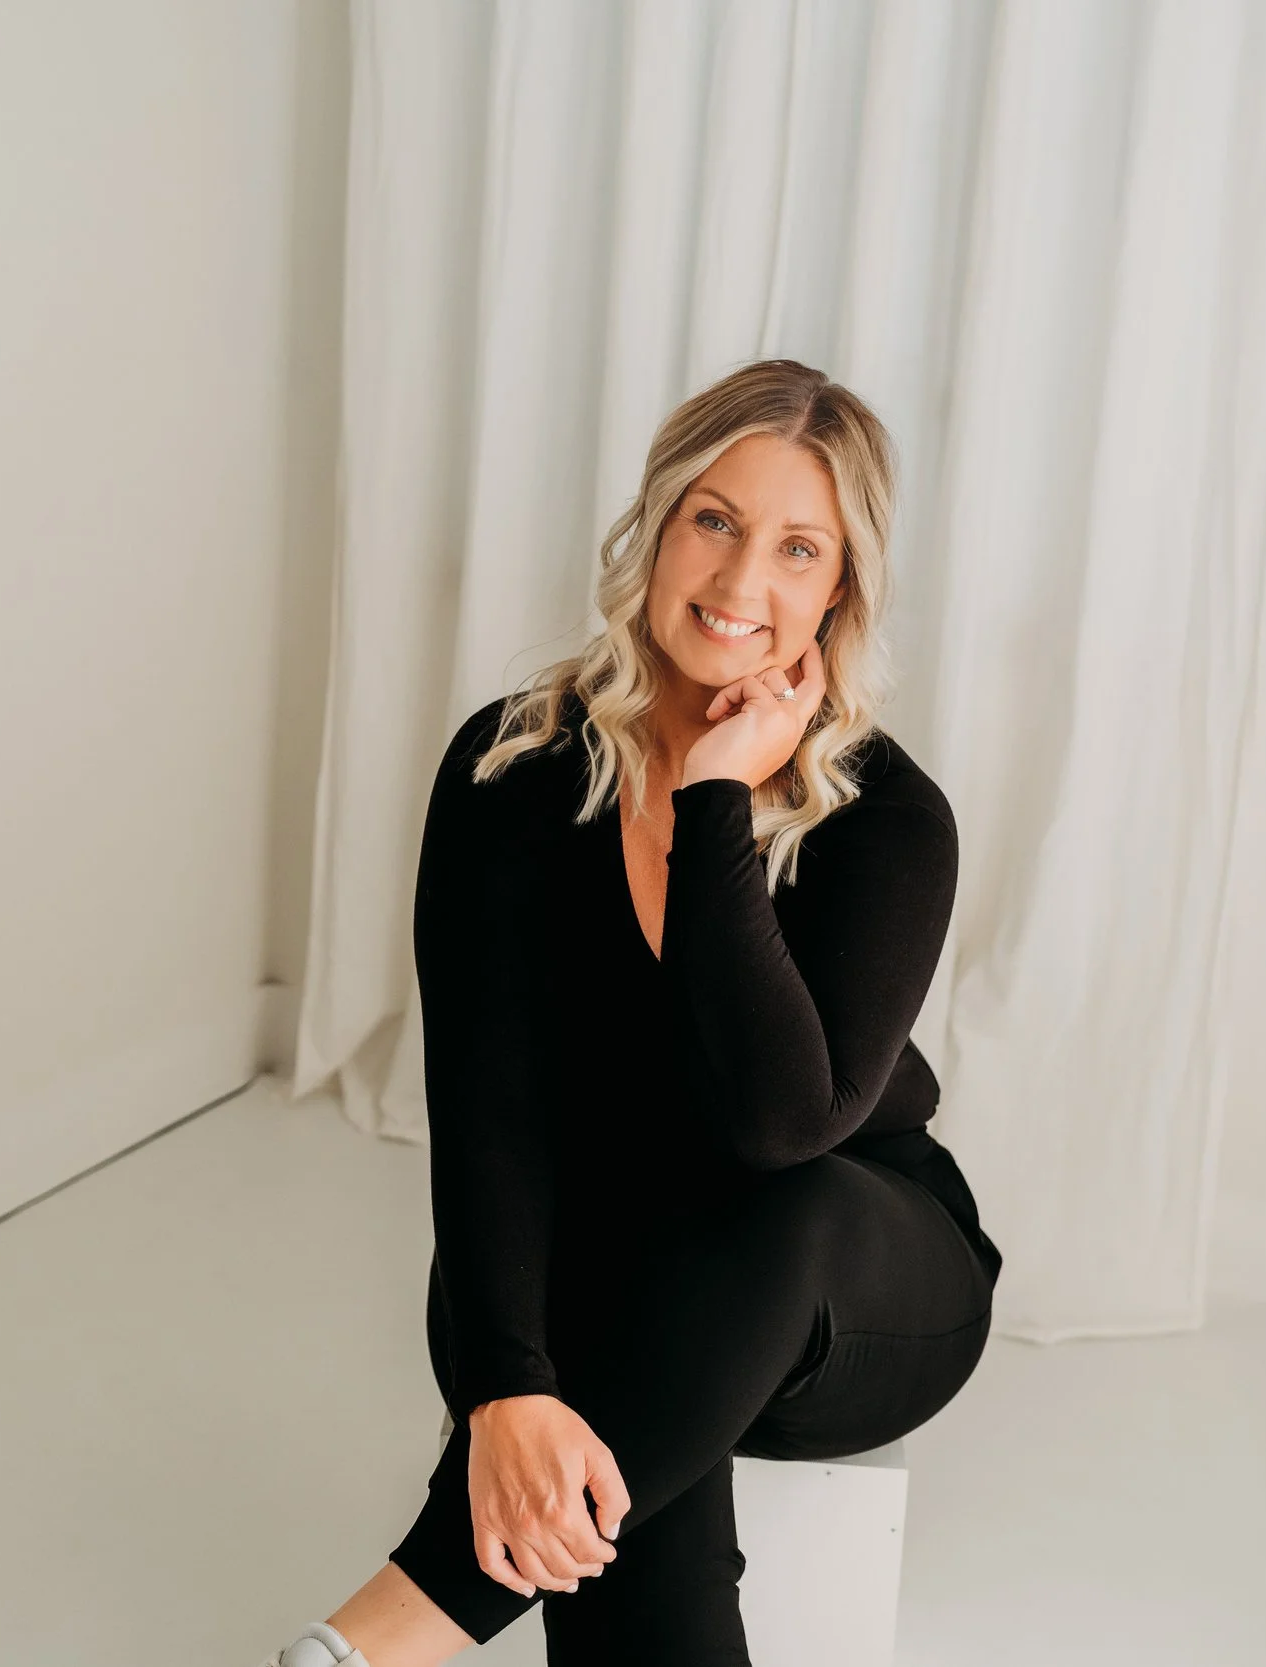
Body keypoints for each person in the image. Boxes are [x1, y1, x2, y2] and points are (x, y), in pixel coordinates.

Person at [256, 358, 1002, 1667]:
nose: (738, 580)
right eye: (714, 518)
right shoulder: (516, 767)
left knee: (777, 1208)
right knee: (616, 1415)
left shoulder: (888, 820)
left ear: (840, 589)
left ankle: (373, 1643)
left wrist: (717, 798)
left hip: (854, 1276)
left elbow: (782, 1124)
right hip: (606, 1254)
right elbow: (486, 1111)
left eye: (796, 547)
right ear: (657, 522)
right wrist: (506, 1380)